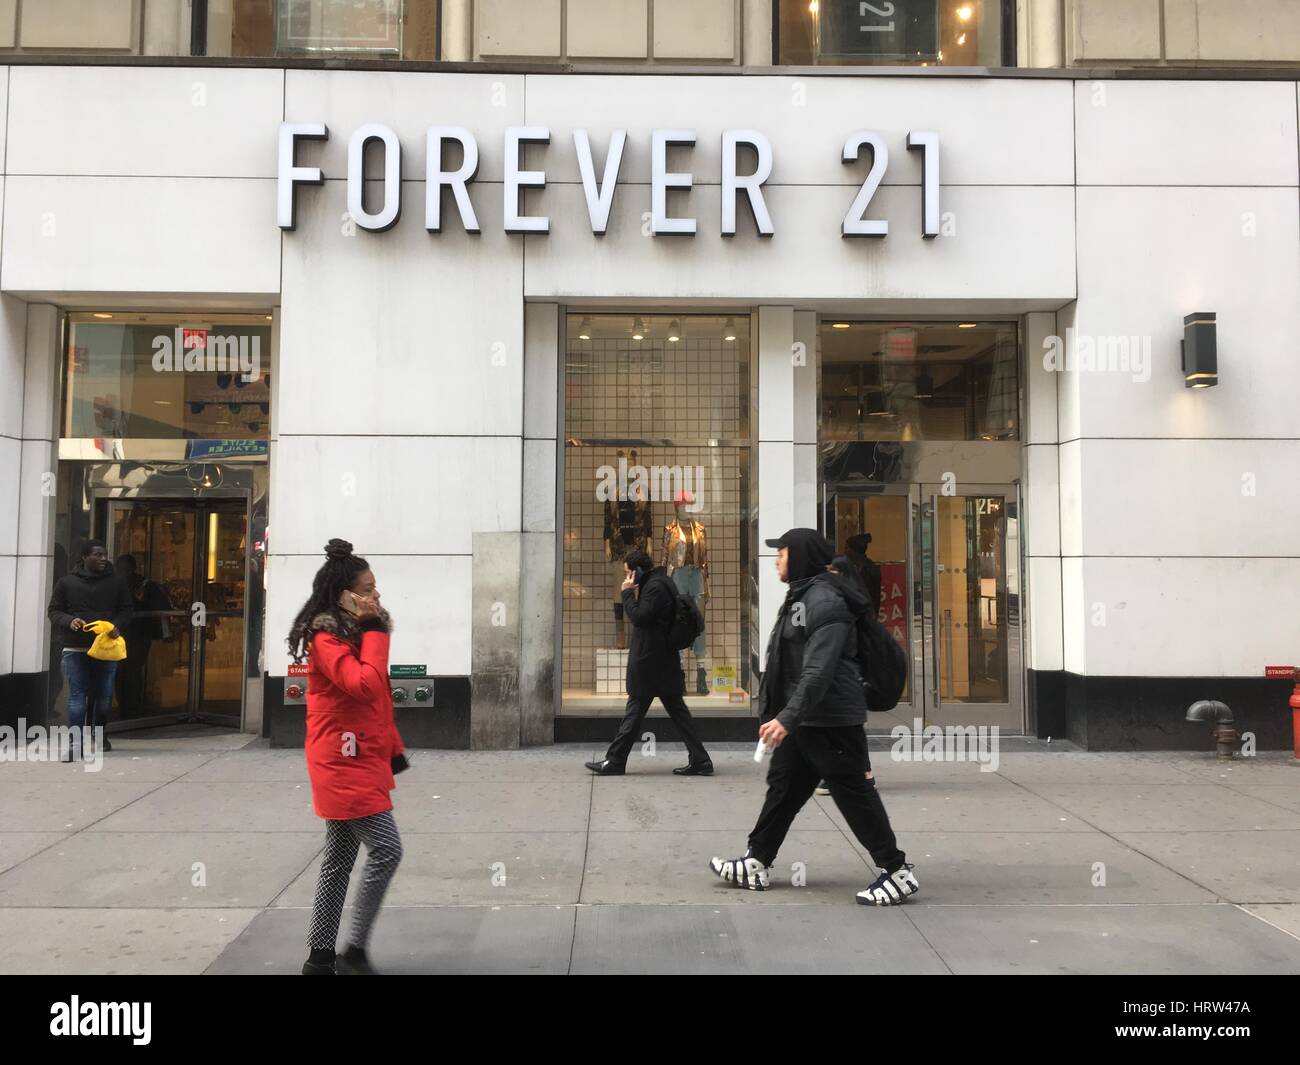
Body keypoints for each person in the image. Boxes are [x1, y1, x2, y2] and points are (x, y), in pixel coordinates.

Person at [710, 529, 918, 906]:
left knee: (854, 794)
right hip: (808, 720)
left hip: (832, 720)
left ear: (800, 556)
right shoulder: (805, 595)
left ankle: (897, 872)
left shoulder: (824, 599)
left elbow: (818, 671)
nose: (776, 560)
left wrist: (786, 719)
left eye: (783, 552)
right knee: (784, 788)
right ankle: (757, 860)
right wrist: (785, 715)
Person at [288, 539, 406, 975]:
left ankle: (320, 957)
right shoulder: (327, 637)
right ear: (343, 594)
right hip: (341, 761)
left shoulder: (352, 632)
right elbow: (364, 687)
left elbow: (378, 704)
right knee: (387, 849)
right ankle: (353, 950)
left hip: (358, 756)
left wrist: (391, 749)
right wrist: (375, 632)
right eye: (367, 589)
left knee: (338, 857)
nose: (375, 596)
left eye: (376, 588)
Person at [584, 548, 713, 776]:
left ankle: (615, 761)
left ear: (638, 571)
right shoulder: (660, 582)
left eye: (628, 574)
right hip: (661, 660)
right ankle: (700, 760)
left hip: (651, 661)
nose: (627, 578)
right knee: (676, 713)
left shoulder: (654, 588)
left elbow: (639, 617)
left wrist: (626, 594)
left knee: (635, 711)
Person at [47, 539, 133, 760]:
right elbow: (54, 611)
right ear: (84, 557)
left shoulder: (117, 582)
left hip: (106, 648)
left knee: (103, 696)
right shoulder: (66, 583)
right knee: (78, 696)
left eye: (105, 554)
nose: (103, 558)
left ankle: (100, 734)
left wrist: (117, 626)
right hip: (75, 647)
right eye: (97, 554)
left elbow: (126, 610)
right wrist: (69, 621)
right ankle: (76, 744)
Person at [844, 532, 883, 617]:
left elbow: (874, 598)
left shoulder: (868, 569)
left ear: (853, 550)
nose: (845, 551)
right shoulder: (850, 567)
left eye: (847, 548)